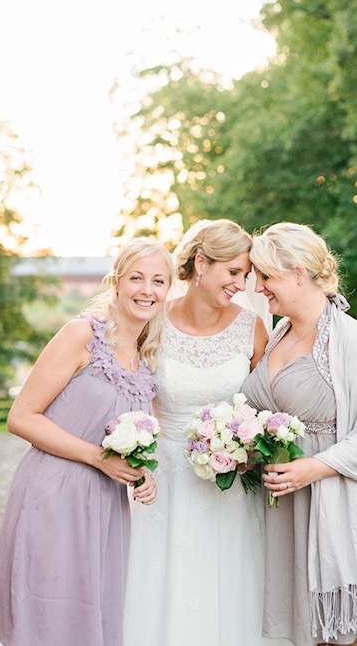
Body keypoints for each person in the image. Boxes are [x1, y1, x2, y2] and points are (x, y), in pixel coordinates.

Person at [0, 237, 174, 646]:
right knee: (48, 615)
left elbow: (128, 437)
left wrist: (142, 473)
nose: (146, 290)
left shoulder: (147, 355)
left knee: (93, 618)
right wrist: (98, 458)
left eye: (158, 281)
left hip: (106, 506)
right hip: (55, 491)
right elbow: (21, 417)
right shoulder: (81, 334)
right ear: (117, 282)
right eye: (136, 278)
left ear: (168, 290)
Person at [241, 222, 357, 646]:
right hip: (288, 500)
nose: (257, 285)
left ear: (299, 273)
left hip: (337, 495)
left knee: (346, 628)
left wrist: (316, 466)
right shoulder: (278, 334)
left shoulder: (351, 343)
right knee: (306, 624)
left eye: (265, 275)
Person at [123, 219, 291, 646]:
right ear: (201, 263)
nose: (242, 284)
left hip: (230, 481)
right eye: (233, 272)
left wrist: (250, 443)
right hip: (165, 478)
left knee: (230, 577)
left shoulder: (251, 326)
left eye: (247, 276)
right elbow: (128, 395)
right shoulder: (152, 320)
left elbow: (265, 403)